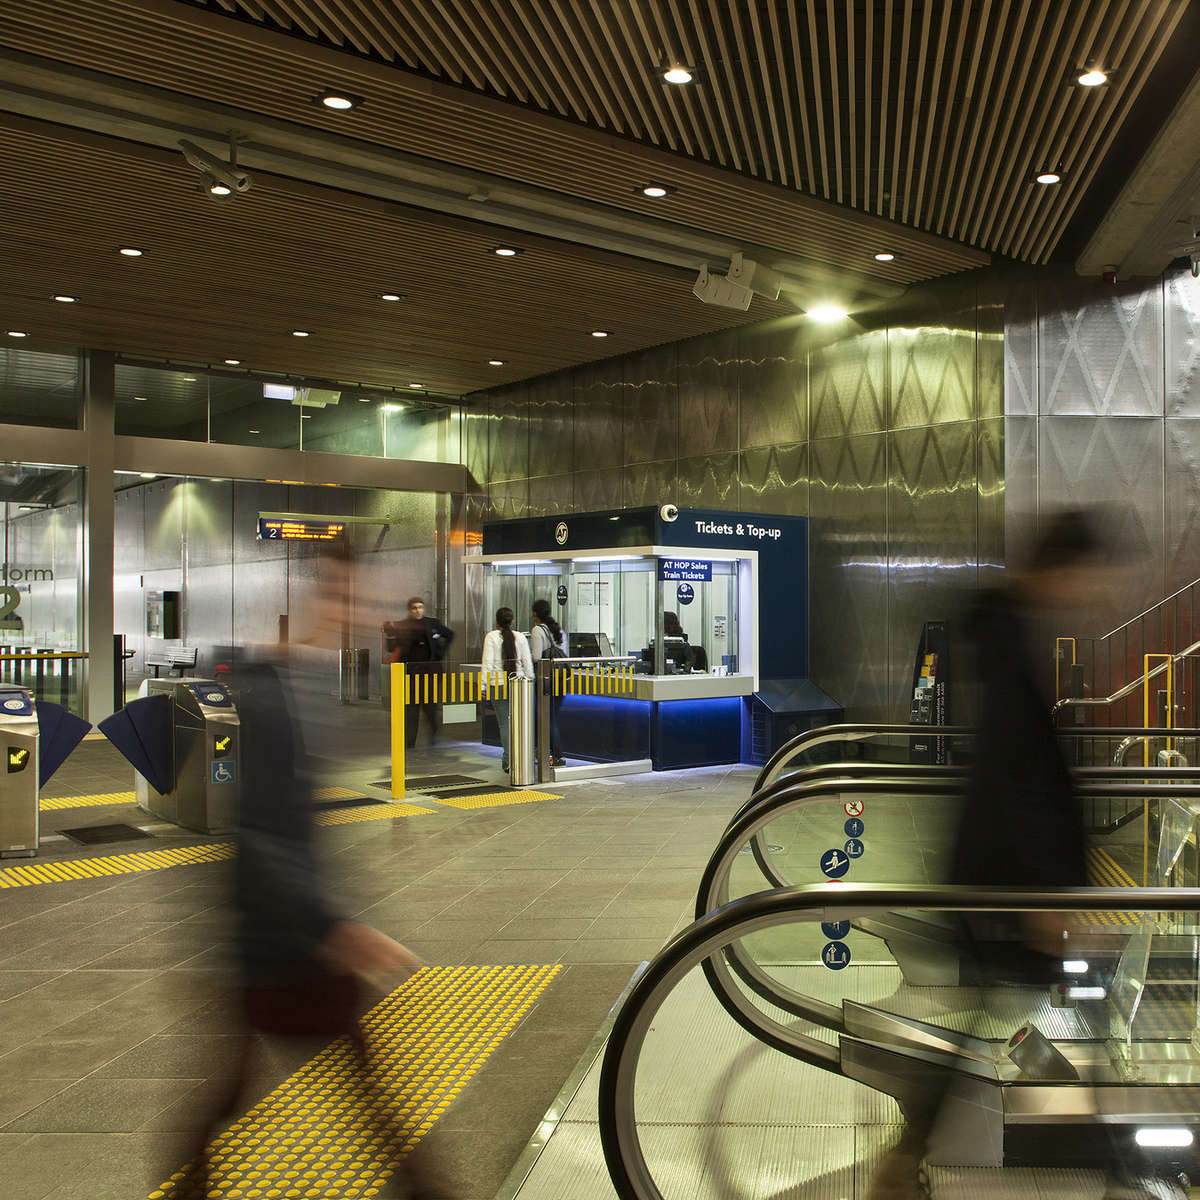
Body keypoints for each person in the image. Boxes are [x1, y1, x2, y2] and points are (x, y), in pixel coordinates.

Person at [868, 507, 1142, 1200]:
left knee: (983, 1018)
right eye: (1094, 576)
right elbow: (1013, 779)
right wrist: (1041, 897)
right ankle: (1114, 1167)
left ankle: (910, 1157)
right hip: (1006, 882)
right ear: (1065, 569)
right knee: (1015, 1013)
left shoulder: (1008, 632)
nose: (1097, 594)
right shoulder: (1011, 640)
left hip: (1004, 877)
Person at [391, 596, 454, 748]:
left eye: (420, 607)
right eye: (414, 608)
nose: (418, 610)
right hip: (411, 673)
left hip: (430, 672)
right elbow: (395, 647)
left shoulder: (432, 623)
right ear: (409, 610)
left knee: (430, 706)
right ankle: (410, 741)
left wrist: (440, 653)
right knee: (411, 708)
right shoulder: (403, 625)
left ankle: (433, 733)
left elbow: (449, 634)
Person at [481, 606, 533, 773]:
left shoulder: (491, 637)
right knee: (521, 723)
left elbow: (487, 663)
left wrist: (483, 685)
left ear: (497, 622)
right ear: (512, 621)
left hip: (498, 685)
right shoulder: (521, 637)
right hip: (519, 684)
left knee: (505, 724)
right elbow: (527, 662)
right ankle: (524, 757)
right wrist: (530, 680)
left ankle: (509, 759)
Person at [530, 597, 567, 767]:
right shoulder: (559, 631)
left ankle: (556, 755)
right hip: (561, 680)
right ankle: (549, 753)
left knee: (547, 718)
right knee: (553, 718)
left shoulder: (538, 631)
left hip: (546, 680)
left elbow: (537, 657)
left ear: (536, 614)